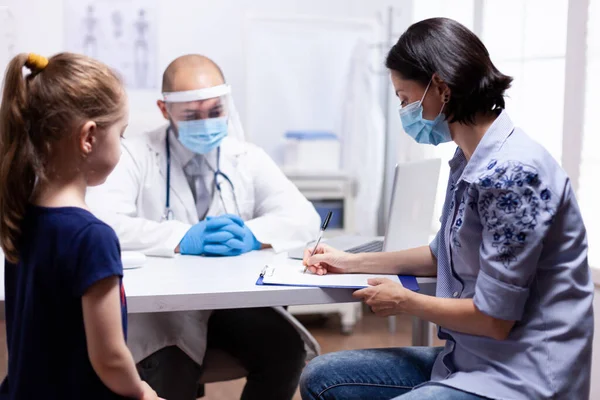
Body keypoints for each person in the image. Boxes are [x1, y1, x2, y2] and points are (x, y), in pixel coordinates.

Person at [300, 17, 594, 400]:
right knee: (322, 378)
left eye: (405, 98)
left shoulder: (514, 175)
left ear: (439, 87)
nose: (404, 110)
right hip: (469, 360)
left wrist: (405, 301)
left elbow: (494, 320)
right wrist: (348, 261)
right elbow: (443, 254)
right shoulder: (468, 160)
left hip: (522, 379)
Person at [86, 54, 321, 400]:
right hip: (163, 311)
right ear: (165, 110)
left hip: (229, 306)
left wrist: (254, 234)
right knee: (170, 374)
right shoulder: (135, 154)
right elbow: (103, 223)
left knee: (284, 349)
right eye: (192, 115)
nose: (206, 122)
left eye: (214, 111)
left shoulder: (245, 157)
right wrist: (181, 237)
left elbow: (304, 217)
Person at [0, 53, 160, 399]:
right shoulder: (92, 238)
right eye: (121, 133)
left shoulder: (20, 216)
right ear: (89, 138)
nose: (123, 145)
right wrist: (143, 392)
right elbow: (110, 358)